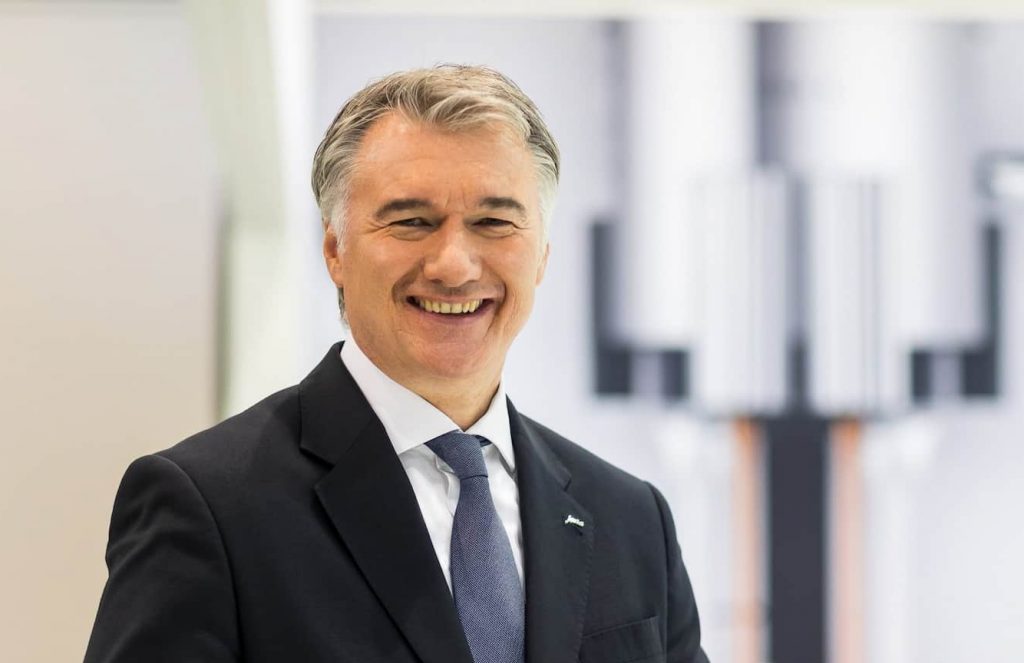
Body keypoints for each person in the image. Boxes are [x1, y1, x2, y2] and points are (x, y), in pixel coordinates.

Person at [84, 65, 709, 663]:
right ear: (335, 250)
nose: (454, 265)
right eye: (412, 221)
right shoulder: (210, 505)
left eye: (494, 221)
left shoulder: (631, 519)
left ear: (542, 255)